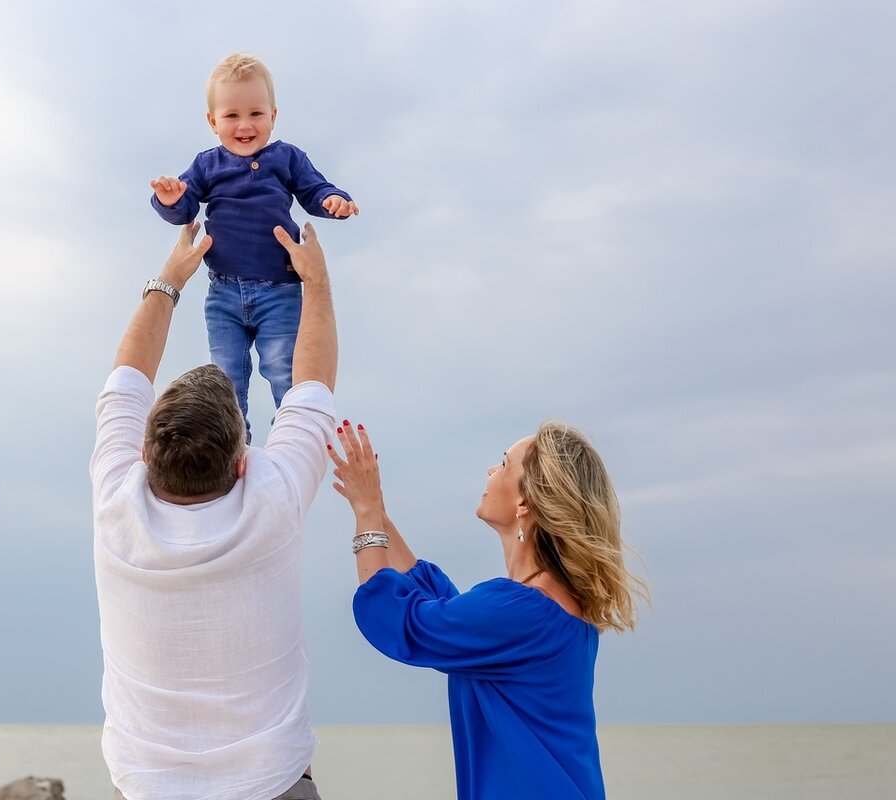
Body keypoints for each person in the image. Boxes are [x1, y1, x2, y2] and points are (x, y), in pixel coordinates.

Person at [90, 220, 338, 800]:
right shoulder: (271, 498)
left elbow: (126, 380)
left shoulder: (115, 505)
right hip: (274, 784)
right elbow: (312, 384)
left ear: (143, 454)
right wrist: (316, 283)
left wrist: (171, 278)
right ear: (242, 463)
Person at [328, 420, 648, 800]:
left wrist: (366, 515)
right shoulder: (548, 609)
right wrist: (377, 508)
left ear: (525, 502)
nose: (491, 471)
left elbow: (397, 619)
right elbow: (441, 610)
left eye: (504, 464)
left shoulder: (522, 611)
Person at [150, 52, 358, 442]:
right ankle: (233, 447)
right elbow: (183, 209)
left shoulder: (287, 158)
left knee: (284, 369)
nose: (245, 125)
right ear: (213, 122)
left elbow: (315, 191)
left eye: (256, 114)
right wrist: (169, 198)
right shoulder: (206, 165)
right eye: (231, 116)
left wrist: (335, 201)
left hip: (279, 291)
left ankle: (293, 442)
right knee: (225, 377)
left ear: (273, 116)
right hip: (223, 293)